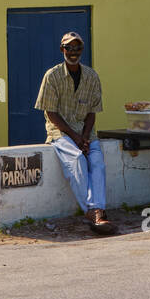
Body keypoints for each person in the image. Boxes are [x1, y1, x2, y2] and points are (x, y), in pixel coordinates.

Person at [35, 32, 116, 234]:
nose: (73, 52)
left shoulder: (91, 76)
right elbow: (50, 112)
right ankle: (92, 210)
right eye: (69, 48)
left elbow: (92, 112)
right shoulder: (52, 76)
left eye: (77, 48)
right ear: (62, 50)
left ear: (82, 50)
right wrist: (75, 137)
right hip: (60, 133)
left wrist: (86, 137)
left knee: (97, 162)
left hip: (86, 133)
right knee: (78, 160)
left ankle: (98, 210)